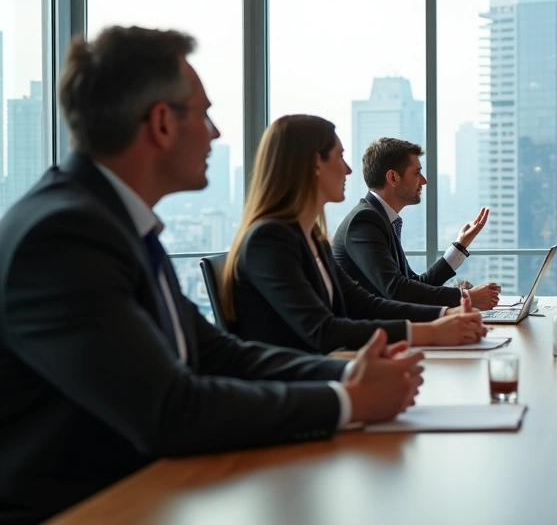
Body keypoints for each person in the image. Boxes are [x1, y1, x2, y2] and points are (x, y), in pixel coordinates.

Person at [0, 27, 425, 524]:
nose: (216, 133)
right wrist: (345, 402)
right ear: (161, 122)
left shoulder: (114, 222)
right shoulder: (64, 236)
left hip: (147, 490)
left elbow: (215, 352)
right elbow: (170, 409)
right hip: (86, 509)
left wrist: (348, 374)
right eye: (203, 113)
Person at [221, 115, 487, 355]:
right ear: (315, 164)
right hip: (298, 390)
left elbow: (366, 305)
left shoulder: (312, 238)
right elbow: (325, 330)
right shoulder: (269, 241)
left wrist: (446, 314)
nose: (349, 169)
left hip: (329, 370)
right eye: (340, 157)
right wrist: (436, 328)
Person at [333, 137, 500, 309]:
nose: (423, 181)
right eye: (416, 173)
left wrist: (460, 245)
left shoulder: (380, 218)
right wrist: (465, 297)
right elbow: (398, 290)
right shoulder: (364, 221)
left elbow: (415, 284)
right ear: (393, 177)